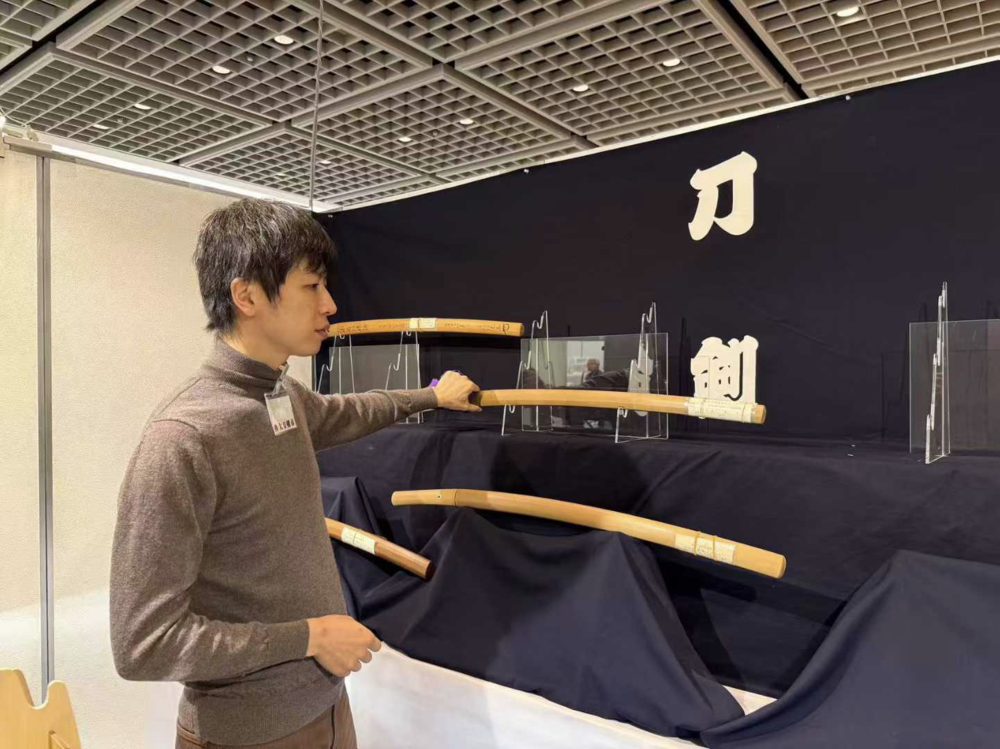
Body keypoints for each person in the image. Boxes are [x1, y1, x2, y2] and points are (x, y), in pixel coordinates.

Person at [109, 198, 481, 748]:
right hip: (247, 736)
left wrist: (429, 396)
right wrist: (309, 638)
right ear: (247, 296)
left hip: (326, 709)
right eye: (311, 286)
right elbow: (144, 644)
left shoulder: (279, 393)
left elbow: (346, 412)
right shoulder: (183, 439)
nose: (330, 304)